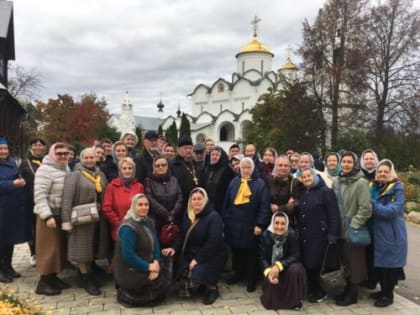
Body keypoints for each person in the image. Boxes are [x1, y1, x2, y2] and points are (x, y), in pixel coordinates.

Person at [162, 188, 227, 305]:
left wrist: (197, 259)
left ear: (205, 200)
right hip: (192, 252)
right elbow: (182, 234)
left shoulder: (213, 217)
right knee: (181, 269)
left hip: (212, 254)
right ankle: (201, 284)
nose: (196, 202)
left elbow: (213, 242)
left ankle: (212, 288)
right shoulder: (188, 215)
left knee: (197, 270)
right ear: (190, 201)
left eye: (199, 199)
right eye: (194, 199)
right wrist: (174, 248)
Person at [61, 148, 108, 296]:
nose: (89, 160)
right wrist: (66, 221)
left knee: (92, 247)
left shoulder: (100, 174)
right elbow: (67, 198)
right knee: (82, 250)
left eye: (92, 157)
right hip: (81, 219)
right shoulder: (75, 175)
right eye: (86, 157)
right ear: (82, 159)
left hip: (98, 218)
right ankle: (86, 279)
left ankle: (86, 274)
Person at [223, 157, 270, 292]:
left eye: (248, 167)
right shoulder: (234, 182)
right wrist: (225, 219)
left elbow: (264, 206)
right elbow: (226, 201)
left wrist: (260, 224)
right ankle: (238, 274)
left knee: (251, 253)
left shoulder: (260, 184)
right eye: (243, 167)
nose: (245, 170)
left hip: (251, 225)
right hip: (234, 224)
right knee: (237, 252)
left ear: (253, 168)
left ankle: (251, 279)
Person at [114, 194, 170, 307]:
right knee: (163, 278)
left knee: (167, 267)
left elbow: (156, 244)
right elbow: (128, 256)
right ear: (133, 206)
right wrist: (148, 267)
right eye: (140, 205)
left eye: (146, 204)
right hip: (130, 270)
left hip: (147, 261)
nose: (144, 207)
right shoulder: (128, 228)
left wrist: (156, 262)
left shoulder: (148, 221)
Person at [332, 151, 372, 306]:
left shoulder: (361, 183)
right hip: (339, 230)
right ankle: (346, 290)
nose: (346, 164)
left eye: (350, 162)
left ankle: (353, 294)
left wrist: (353, 226)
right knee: (345, 263)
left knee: (355, 264)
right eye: (344, 161)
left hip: (353, 230)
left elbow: (365, 209)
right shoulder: (337, 181)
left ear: (355, 164)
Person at [296, 168, 340, 303]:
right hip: (305, 233)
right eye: (304, 177)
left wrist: (333, 234)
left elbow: (333, 214)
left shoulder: (325, 192)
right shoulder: (303, 192)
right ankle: (311, 289)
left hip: (320, 233)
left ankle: (319, 291)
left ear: (315, 176)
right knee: (308, 262)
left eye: (309, 176)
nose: (307, 179)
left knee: (316, 263)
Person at [33, 142, 71, 295]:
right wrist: (47, 216)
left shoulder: (65, 168)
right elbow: (40, 195)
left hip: (61, 215)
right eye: (59, 153)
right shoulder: (44, 170)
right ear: (52, 154)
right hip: (48, 217)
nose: (62, 156)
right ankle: (43, 282)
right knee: (48, 249)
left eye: (65, 153)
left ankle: (53, 277)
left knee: (58, 248)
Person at [369, 159, 407, 307]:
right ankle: (383, 291)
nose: (382, 174)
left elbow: (392, 211)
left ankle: (388, 295)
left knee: (390, 267)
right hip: (377, 233)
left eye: (386, 171)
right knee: (380, 266)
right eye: (380, 171)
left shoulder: (397, 188)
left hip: (391, 235)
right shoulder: (374, 186)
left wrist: (373, 204)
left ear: (391, 173)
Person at [259, 212, 307, 310]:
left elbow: (295, 255)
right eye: (276, 223)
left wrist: (279, 265)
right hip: (271, 269)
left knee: (296, 269)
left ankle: (294, 301)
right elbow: (262, 258)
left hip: (287, 268)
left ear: (287, 224)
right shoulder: (265, 235)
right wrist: (269, 272)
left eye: (282, 224)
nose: (279, 227)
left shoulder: (292, 234)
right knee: (270, 298)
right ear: (272, 223)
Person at [0, 136, 28, 283]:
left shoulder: (12, 163)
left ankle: (8, 266)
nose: (3, 151)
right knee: (1, 239)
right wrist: (12, 184)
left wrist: (21, 181)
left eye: (5, 149)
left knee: (10, 239)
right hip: (2, 208)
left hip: (13, 207)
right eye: (0, 149)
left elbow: (18, 176)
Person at [19, 137, 47, 267]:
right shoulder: (25, 163)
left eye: (40, 145)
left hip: (46, 200)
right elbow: (21, 181)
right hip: (30, 201)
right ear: (31, 147)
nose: (38, 147)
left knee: (45, 228)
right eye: (35, 145)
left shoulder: (48, 162)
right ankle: (34, 253)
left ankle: (44, 251)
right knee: (32, 228)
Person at [102, 157, 144, 243]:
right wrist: (119, 223)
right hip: (119, 228)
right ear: (120, 170)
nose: (127, 171)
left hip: (136, 228)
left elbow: (142, 207)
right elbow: (106, 208)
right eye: (124, 168)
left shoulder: (139, 186)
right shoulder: (112, 186)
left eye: (130, 168)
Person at [144, 156, 183, 234]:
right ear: (153, 167)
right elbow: (150, 199)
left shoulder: (174, 180)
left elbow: (180, 197)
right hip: (156, 220)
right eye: (157, 166)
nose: (161, 167)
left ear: (167, 166)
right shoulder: (148, 181)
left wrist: (173, 213)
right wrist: (166, 214)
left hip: (174, 219)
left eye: (163, 165)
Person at [170, 135, 202, 212]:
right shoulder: (172, 165)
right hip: (180, 204)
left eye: (190, 148)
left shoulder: (196, 164)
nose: (188, 150)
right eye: (185, 148)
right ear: (178, 150)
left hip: (196, 203)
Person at [266, 155, 299, 227]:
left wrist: (278, 209)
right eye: (280, 165)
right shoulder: (269, 180)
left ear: (289, 167)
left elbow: (295, 203)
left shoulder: (294, 182)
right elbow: (264, 199)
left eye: (286, 165)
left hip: (287, 223)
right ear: (276, 166)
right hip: (269, 221)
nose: (283, 168)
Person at [203, 147, 235, 213]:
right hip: (207, 203)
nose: (214, 157)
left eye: (217, 155)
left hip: (220, 205)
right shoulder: (207, 169)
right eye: (212, 155)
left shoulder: (227, 170)